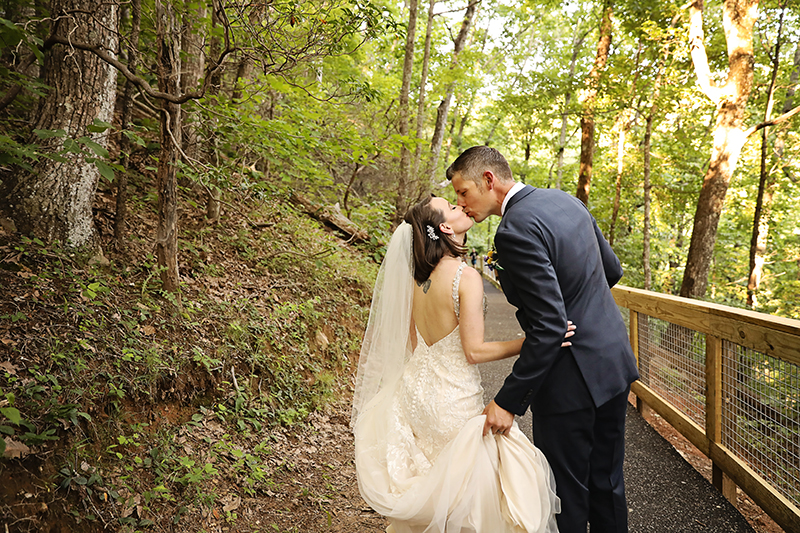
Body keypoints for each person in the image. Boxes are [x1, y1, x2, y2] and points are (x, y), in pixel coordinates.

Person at [446, 146, 639, 533]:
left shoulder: (514, 230)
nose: (461, 203)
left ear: (489, 180)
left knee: (564, 493)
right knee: (607, 483)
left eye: (463, 192)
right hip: (612, 361)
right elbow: (611, 270)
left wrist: (507, 401)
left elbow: (549, 326)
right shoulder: (567, 201)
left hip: (570, 378)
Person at [352, 196, 573, 533]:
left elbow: (413, 343)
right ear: (444, 227)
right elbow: (475, 351)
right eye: (453, 208)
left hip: (416, 394)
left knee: (434, 481)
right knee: (466, 495)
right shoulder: (463, 276)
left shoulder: (416, 277)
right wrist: (532, 342)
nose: (462, 208)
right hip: (452, 399)